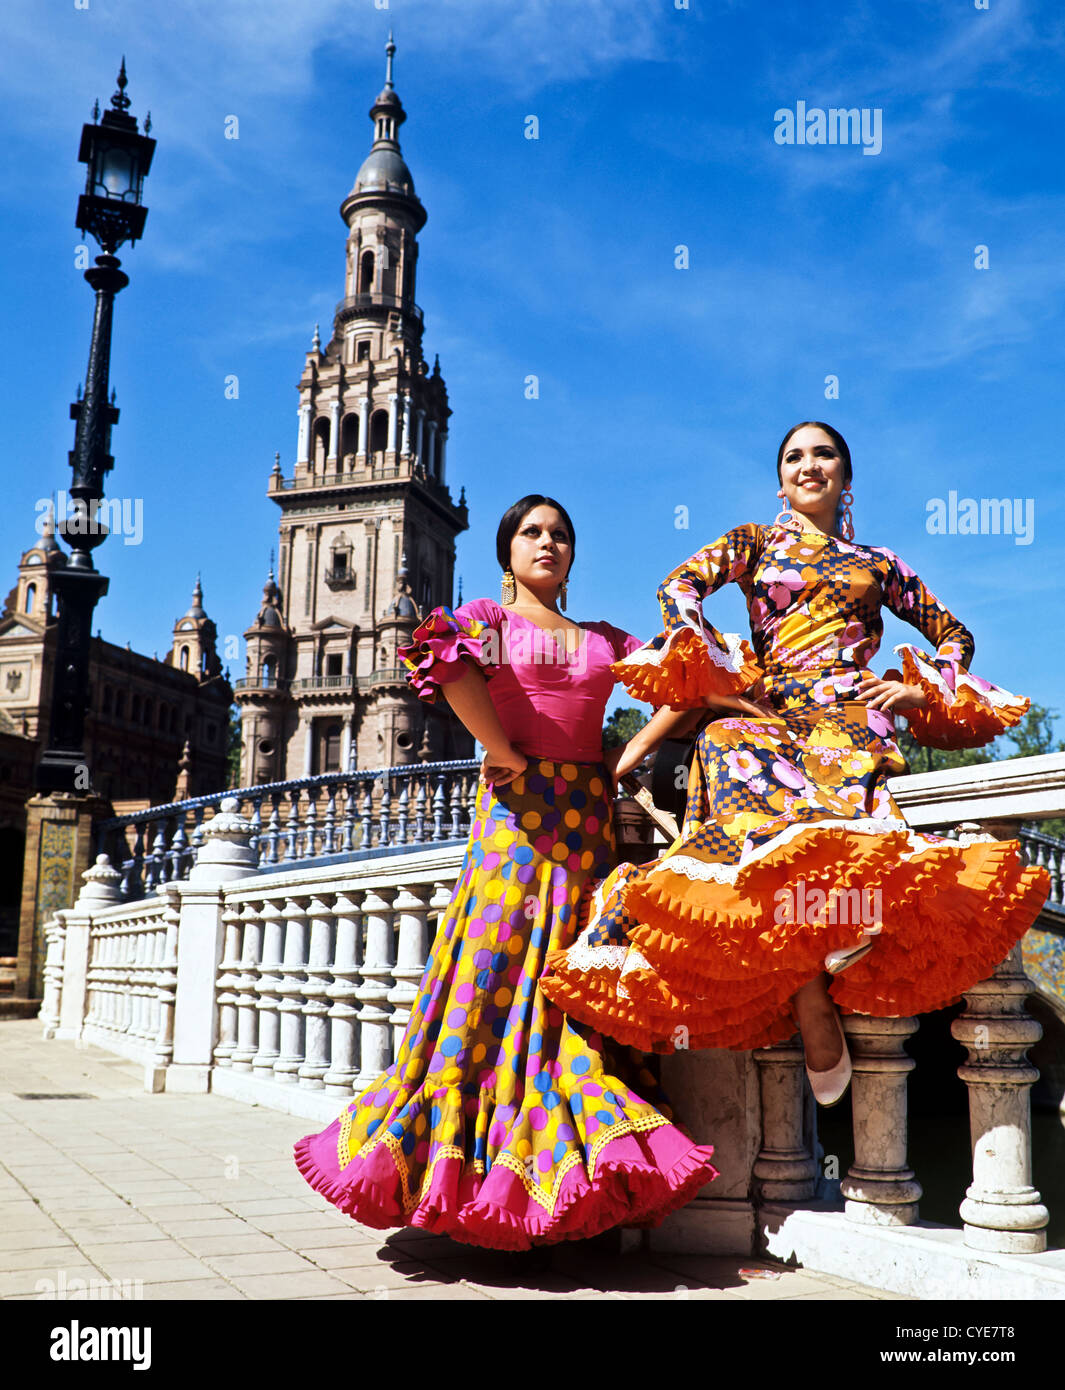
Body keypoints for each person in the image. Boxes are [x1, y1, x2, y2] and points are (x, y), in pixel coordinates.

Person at [540, 423, 1050, 1106]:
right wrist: (714, 663)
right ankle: (813, 992)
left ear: (844, 475)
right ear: (779, 480)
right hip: (768, 714)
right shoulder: (752, 541)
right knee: (724, 747)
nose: (808, 465)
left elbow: (954, 634)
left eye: (823, 454)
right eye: (794, 457)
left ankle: (829, 956)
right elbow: (678, 587)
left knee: (828, 823)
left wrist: (913, 689)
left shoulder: (879, 561)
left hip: (848, 716)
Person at [293, 495, 719, 1249]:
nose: (547, 543)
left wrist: (623, 758)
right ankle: (468, 1188)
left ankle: (556, 1192)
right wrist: (497, 746)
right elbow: (435, 656)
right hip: (514, 825)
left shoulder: (602, 639)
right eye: (531, 532)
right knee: (488, 980)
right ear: (507, 552)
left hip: (586, 829)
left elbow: (694, 684)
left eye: (560, 533)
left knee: (569, 990)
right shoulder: (490, 618)